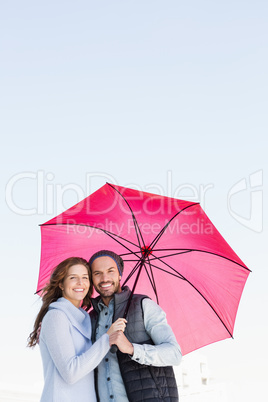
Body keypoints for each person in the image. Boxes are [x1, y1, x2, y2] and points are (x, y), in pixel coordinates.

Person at [28, 257, 126, 402]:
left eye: (85, 277)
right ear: (61, 284)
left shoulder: (85, 319)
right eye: (73, 277)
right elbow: (71, 373)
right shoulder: (57, 316)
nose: (80, 283)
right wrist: (107, 338)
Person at [88, 250, 182, 402]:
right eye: (97, 273)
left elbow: (174, 354)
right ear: (91, 278)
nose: (104, 278)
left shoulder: (143, 305)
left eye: (110, 271)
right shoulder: (90, 318)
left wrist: (132, 349)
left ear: (119, 274)